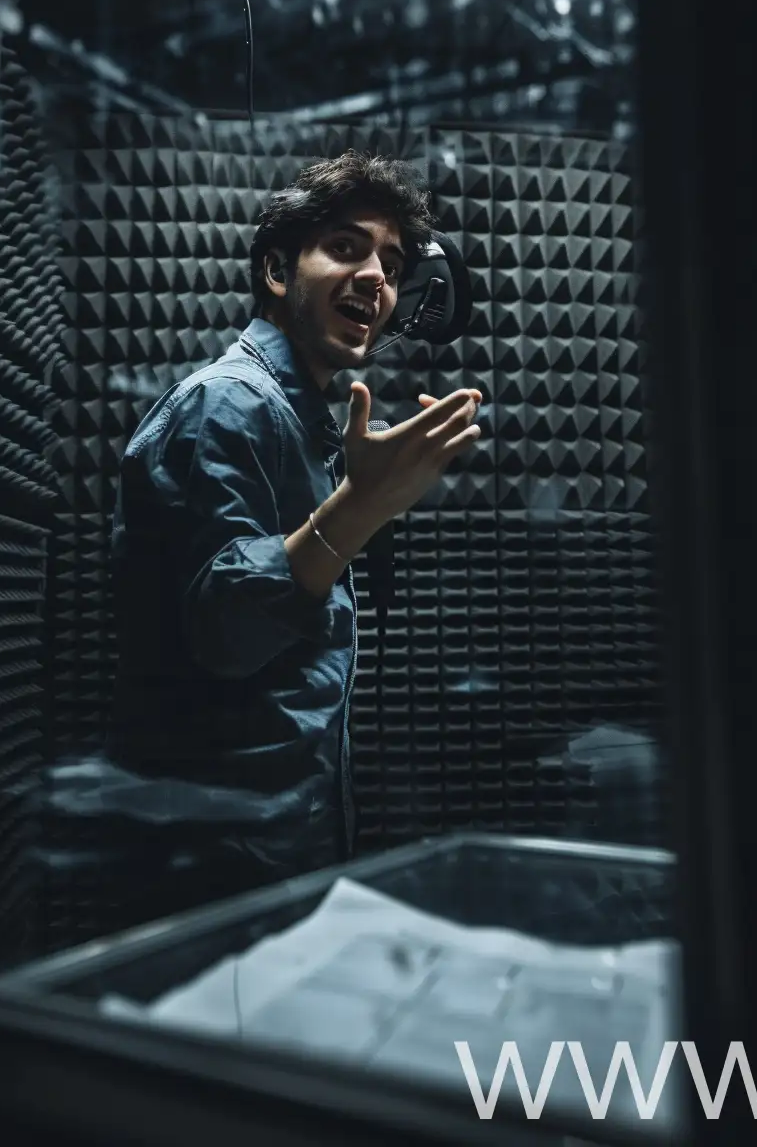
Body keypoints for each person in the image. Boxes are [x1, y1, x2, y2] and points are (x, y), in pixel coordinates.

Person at [105, 152, 483, 911]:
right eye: (346, 247)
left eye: (393, 262)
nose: (377, 276)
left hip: (277, 845)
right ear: (277, 271)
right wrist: (360, 509)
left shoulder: (300, 417)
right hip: (220, 862)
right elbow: (227, 631)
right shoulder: (229, 406)